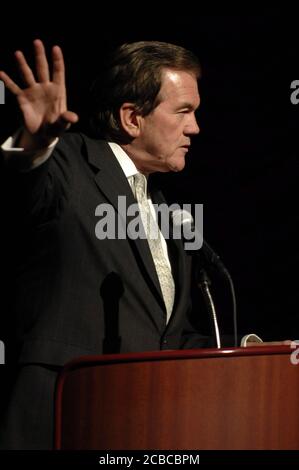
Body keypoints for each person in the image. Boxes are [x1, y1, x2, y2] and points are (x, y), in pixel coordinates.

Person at [0, 39, 290, 450]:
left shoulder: (167, 211)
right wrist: (33, 145)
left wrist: (252, 355)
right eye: (184, 112)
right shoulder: (69, 164)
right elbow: (21, 193)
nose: (195, 128)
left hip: (140, 427)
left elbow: (168, 339)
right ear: (132, 118)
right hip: (62, 419)